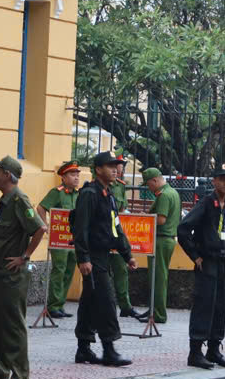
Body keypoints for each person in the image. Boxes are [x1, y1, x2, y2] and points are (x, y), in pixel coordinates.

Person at [0, 156, 46, 379]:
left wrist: (24, 257)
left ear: (7, 174)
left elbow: (40, 229)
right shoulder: (5, 201)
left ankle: (20, 376)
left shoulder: (19, 200)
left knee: (13, 325)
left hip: (13, 276)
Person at [70, 151, 134, 367]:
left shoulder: (109, 194)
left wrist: (127, 254)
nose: (115, 169)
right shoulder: (90, 194)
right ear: (98, 169)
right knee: (106, 300)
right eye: (110, 166)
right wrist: (83, 257)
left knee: (90, 301)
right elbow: (81, 228)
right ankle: (109, 348)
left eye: (117, 166)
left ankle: (83, 348)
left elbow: (116, 227)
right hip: (93, 255)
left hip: (103, 255)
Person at [177, 168, 225, 370]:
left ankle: (214, 349)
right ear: (214, 182)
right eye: (222, 179)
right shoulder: (206, 203)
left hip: (221, 262)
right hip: (207, 262)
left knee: (219, 307)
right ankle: (195, 352)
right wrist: (195, 256)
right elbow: (183, 229)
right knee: (204, 305)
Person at [133, 168, 179, 324]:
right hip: (166, 240)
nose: (148, 188)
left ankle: (158, 314)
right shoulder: (172, 192)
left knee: (158, 279)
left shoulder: (164, 195)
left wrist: (145, 218)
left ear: (155, 180)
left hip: (161, 240)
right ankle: (154, 310)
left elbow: (160, 220)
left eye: (148, 184)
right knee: (158, 277)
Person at [37, 161, 81, 318]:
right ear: (63, 177)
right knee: (59, 270)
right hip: (59, 239)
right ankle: (53, 305)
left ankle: (60, 304)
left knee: (69, 270)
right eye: (72, 175)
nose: (76, 178)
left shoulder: (79, 194)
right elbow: (41, 208)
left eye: (77, 175)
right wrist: (46, 226)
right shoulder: (57, 192)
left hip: (74, 239)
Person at [109, 158, 138, 317]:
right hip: (102, 237)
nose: (119, 169)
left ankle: (125, 306)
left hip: (117, 235)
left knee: (121, 271)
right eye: (117, 166)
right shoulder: (96, 187)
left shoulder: (120, 185)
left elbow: (123, 209)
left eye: (120, 166)